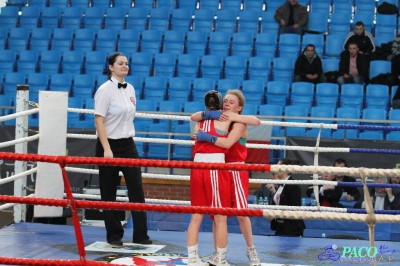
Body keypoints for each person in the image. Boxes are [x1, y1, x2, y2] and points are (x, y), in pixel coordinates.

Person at [187, 90, 260, 266]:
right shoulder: (219, 119)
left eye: (231, 102)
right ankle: (217, 254)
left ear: (239, 107)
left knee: (241, 214)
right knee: (218, 215)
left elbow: (252, 124)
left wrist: (207, 137)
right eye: (225, 101)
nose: (227, 104)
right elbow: (194, 118)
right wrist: (209, 116)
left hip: (235, 170)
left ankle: (252, 251)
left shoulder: (238, 123)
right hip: (219, 169)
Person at [94, 53, 152, 246]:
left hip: (128, 143)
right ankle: (114, 235)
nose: (124, 66)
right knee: (108, 192)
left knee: (137, 188)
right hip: (108, 144)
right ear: (111, 66)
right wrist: (107, 149)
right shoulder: (104, 90)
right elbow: (99, 120)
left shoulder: (131, 88)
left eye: (126, 63)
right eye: (120, 63)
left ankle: (141, 235)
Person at [267, 158, 306, 237]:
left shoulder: (294, 187)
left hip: (292, 229)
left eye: (278, 167)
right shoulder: (280, 186)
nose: (275, 169)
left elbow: (294, 208)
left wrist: (276, 214)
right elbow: (279, 203)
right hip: (280, 227)